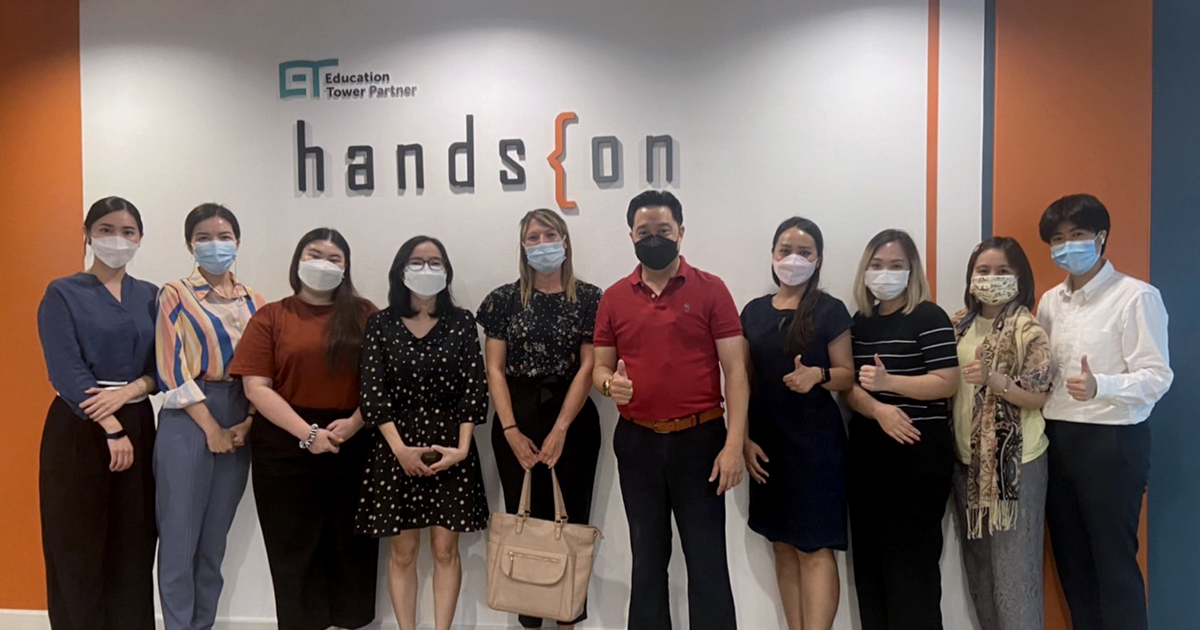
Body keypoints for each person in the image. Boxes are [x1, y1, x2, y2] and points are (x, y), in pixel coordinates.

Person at [592, 190, 748, 630]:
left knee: (707, 561)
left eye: (663, 230)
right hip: (637, 441)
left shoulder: (711, 289)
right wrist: (610, 385)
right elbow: (600, 368)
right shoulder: (614, 298)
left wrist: (733, 445)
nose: (654, 239)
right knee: (646, 560)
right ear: (630, 236)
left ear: (681, 232)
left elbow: (736, 371)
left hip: (701, 442)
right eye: (644, 232)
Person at [229, 228, 379, 630]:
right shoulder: (271, 316)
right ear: (297, 260)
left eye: (334, 258)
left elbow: (384, 381)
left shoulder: (366, 314)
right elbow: (256, 387)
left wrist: (355, 423)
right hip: (284, 445)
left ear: (346, 268)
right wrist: (308, 434)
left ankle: (349, 623)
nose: (323, 264)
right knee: (294, 549)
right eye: (315, 254)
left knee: (352, 547)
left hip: (353, 441)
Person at [1036, 194, 1172, 630]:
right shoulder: (1049, 301)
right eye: (1058, 239)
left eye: (1077, 235)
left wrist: (1102, 386)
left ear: (1101, 237)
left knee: (1113, 565)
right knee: (1072, 563)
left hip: (1112, 442)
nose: (1066, 246)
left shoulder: (1136, 296)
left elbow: (1157, 376)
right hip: (1057, 440)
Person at [477, 209, 603, 630]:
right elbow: (494, 369)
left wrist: (561, 428)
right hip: (516, 415)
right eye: (533, 237)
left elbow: (589, 366)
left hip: (573, 418)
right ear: (522, 245)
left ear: (565, 240)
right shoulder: (503, 299)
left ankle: (567, 619)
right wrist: (511, 430)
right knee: (525, 521)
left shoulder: (590, 298)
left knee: (571, 522)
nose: (542, 243)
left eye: (550, 234)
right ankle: (529, 618)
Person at [36, 196, 158, 630]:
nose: (117, 240)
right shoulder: (62, 293)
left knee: (134, 540)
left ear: (140, 238)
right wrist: (110, 426)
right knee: (77, 541)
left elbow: (162, 367)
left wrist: (128, 394)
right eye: (106, 230)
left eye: (127, 231)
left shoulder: (151, 296)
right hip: (79, 427)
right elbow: (65, 368)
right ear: (87, 235)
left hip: (138, 423)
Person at [356, 236, 489, 630]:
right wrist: (400, 450)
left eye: (435, 262)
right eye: (417, 261)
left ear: (447, 271)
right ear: (401, 270)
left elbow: (474, 388)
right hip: (395, 447)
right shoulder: (380, 323)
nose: (427, 269)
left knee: (446, 550)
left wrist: (461, 449)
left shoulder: (462, 322)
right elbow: (372, 392)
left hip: (451, 446)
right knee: (403, 551)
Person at [154, 203, 267, 630]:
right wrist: (211, 428)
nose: (215, 245)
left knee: (213, 543)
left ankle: (202, 624)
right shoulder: (175, 294)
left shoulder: (254, 300)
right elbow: (171, 367)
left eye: (224, 237)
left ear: (238, 242)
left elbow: (265, 366)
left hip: (241, 413)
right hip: (189, 416)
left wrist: (250, 419)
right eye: (204, 237)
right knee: (179, 540)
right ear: (190, 244)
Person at [741, 217, 854, 630]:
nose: (793, 259)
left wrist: (818, 376)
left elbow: (847, 375)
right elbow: (742, 380)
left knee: (815, 548)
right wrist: (743, 439)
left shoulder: (830, 310)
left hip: (816, 448)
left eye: (804, 252)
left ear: (818, 259)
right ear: (772, 256)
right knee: (782, 544)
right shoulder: (753, 312)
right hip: (767, 445)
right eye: (785, 250)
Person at [844, 229, 960, 630]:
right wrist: (879, 411)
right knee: (870, 571)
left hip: (918, 455)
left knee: (911, 573)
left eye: (896, 265)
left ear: (912, 271)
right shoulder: (860, 322)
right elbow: (850, 387)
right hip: (867, 452)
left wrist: (889, 384)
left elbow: (947, 382)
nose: (885, 273)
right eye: (877, 265)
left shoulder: (929, 316)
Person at [948, 237, 1052, 630]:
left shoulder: (1028, 328)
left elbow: (1038, 396)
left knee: (1015, 578)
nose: (991, 279)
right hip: (967, 465)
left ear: (1020, 277)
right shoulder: (958, 323)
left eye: (1002, 271)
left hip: (1015, 468)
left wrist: (994, 379)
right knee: (981, 578)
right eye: (983, 271)